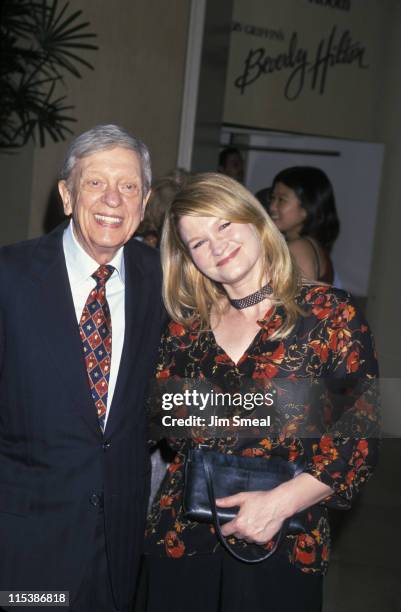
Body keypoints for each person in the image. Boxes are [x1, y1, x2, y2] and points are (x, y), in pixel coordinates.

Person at [137, 173, 379, 612]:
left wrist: (279, 504)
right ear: (188, 258)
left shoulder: (329, 315)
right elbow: (164, 429)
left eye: (224, 225)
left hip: (283, 541)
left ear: (255, 219)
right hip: (180, 538)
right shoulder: (182, 330)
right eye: (198, 242)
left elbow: (359, 441)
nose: (216, 245)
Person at [0, 125, 165, 612]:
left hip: (121, 540)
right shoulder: (8, 277)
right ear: (67, 195)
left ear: (145, 199)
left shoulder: (165, 280)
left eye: (129, 186)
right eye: (95, 182)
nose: (113, 198)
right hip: (25, 542)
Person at [270, 166, 340, 283]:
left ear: (307, 208)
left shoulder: (299, 249)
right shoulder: (310, 246)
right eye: (273, 198)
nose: (272, 206)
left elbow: (294, 301)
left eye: (282, 199)